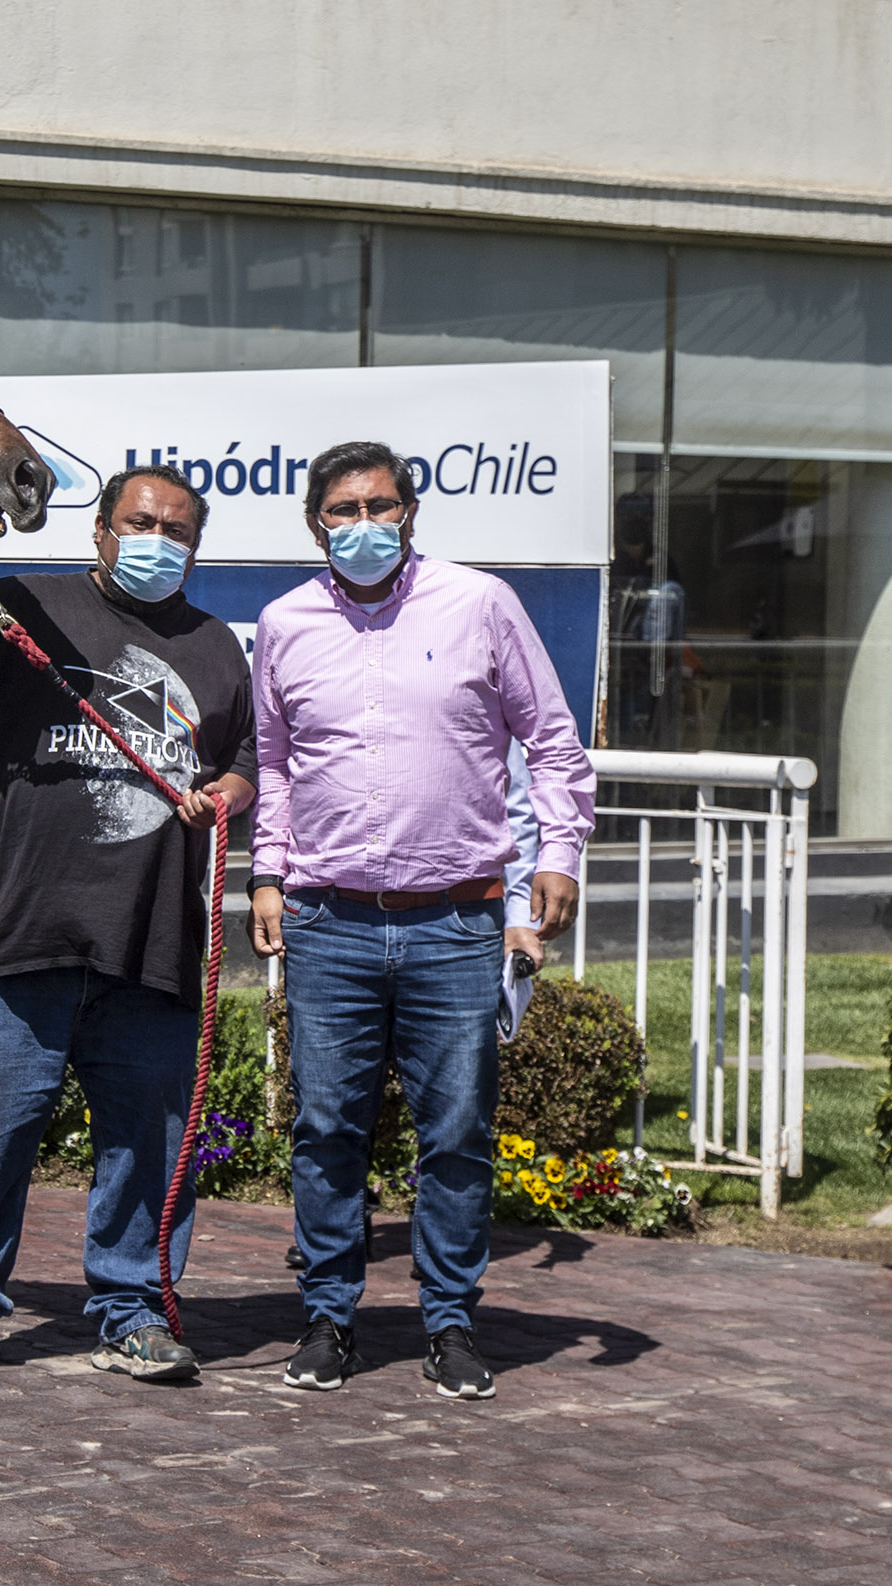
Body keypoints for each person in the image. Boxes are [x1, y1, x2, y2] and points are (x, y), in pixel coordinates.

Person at [0, 464, 257, 1384]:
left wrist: (227, 793)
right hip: (23, 933)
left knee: (147, 1148)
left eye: (178, 531)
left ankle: (133, 1312)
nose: (158, 542)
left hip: (151, 940)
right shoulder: (25, 608)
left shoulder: (216, 647)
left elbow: (244, 762)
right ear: (100, 530)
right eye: (141, 523)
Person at [249, 440, 593, 1401]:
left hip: (456, 923)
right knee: (326, 1129)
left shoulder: (480, 603)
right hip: (328, 920)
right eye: (343, 510)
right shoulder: (284, 622)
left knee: (456, 1134)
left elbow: (553, 743)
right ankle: (328, 1317)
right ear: (315, 524)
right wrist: (266, 876)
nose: (363, 524)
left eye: (380, 506)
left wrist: (558, 856)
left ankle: (449, 1322)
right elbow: (274, 764)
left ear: (410, 512)